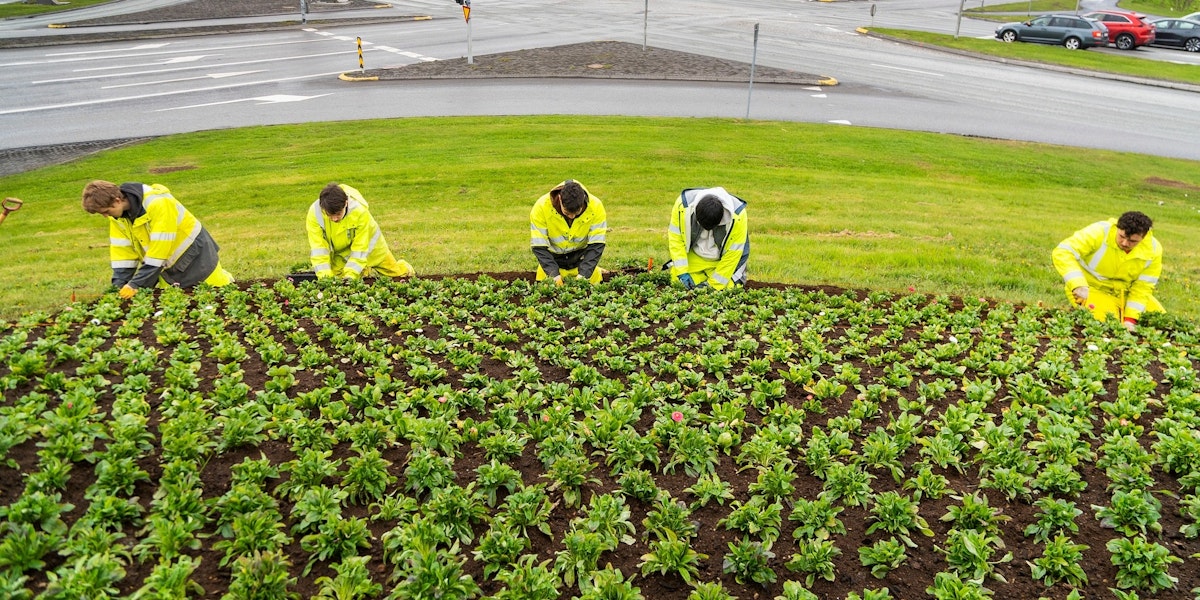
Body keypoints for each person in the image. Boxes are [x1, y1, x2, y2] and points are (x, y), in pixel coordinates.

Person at [82, 180, 233, 299]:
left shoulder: (158, 203)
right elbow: (123, 254)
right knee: (180, 300)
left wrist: (136, 284)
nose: (106, 216)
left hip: (197, 254)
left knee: (221, 293)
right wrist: (118, 286)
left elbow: (159, 251)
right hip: (167, 264)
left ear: (116, 200)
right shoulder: (117, 217)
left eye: (106, 212)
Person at [1052, 210, 1163, 332]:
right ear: (1117, 227)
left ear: (1144, 236)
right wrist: (1078, 285)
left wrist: (1130, 319)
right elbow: (1063, 251)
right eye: (1122, 236)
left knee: (1160, 322)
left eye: (1132, 241)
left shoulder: (1154, 249)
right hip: (1091, 289)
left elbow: (1143, 287)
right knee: (1107, 326)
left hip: (1125, 293)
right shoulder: (1099, 232)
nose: (1125, 243)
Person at [306, 182, 414, 280]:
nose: (334, 219)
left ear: (346, 203)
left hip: (373, 249)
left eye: (338, 214)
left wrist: (350, 276)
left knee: (397, 275)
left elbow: (360, 249)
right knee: (337, 279)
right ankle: (364, 271)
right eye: (330, 215)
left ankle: (406, 269)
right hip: (342, 253)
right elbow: (318, 250)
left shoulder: (360, 212)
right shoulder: (315, 214)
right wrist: (326, 279)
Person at [666, 187, 749, 290]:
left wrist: (712, 286)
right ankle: (701, 278)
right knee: (675, 280)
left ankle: (702, 280)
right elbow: (676, 240)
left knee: (730, 288)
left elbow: (733, 254)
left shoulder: (739, 216)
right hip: (695, 256)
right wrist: (682, 272)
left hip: (719, 262)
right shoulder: (682, 206)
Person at [530, 179, 607, 285]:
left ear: (583, 200)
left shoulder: (596, 207)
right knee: (544, 292)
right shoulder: (541, 207)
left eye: (577, 213)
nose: (572, 217)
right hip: (553, 261)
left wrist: (584, 275)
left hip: (581, 260)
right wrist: (553, 275)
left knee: (595, 288)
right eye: (567, 212)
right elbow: (539, 247)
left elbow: (597, 245)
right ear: (560, 199)